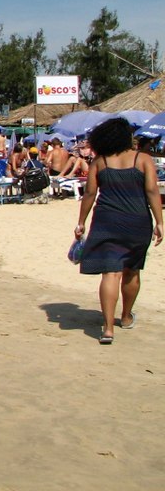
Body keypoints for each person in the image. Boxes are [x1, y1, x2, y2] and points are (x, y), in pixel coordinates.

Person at [74, 117, 163, 345]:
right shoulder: (142, 159)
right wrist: (159, 222)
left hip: (106, 221)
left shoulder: (100, 162)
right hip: (137, 221)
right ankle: (125, 316)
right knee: (132, 271)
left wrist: (81, 221)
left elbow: (90, 194)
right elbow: (153, 191)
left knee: (110, 273)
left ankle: (108, 329)